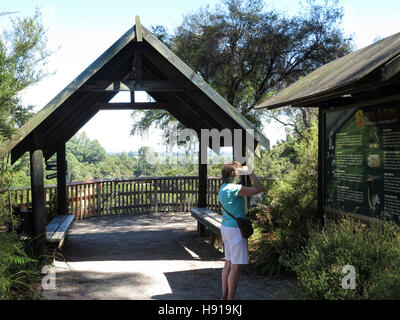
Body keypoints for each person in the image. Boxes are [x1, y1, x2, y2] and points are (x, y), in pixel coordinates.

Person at [218, 161, 264, 300]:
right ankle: (231, 299)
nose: (240, 174)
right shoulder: (235, 189)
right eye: (238, 172)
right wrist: (251, 172)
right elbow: (259, 188)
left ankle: (224, 296)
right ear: (233, 174)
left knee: (228, 263)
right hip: (236, 229)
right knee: (236, 267)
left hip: (225, 227)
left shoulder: (223, 188)